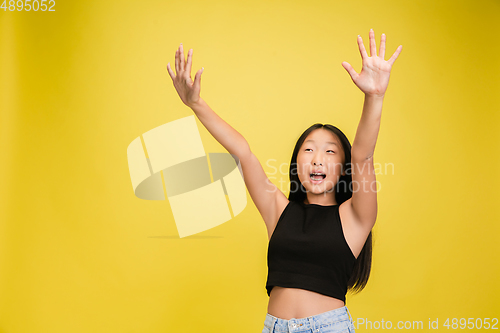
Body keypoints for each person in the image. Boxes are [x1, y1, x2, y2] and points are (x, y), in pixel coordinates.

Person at [166, 28, 402, 333]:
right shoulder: (277, 209)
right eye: (308, 150)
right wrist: (196, 104)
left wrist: (375, 96)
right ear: (297, 163)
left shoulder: (355, 218)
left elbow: (363, 155)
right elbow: (243, 152)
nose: (317, 158)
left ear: (344, 168)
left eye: (329, 152)